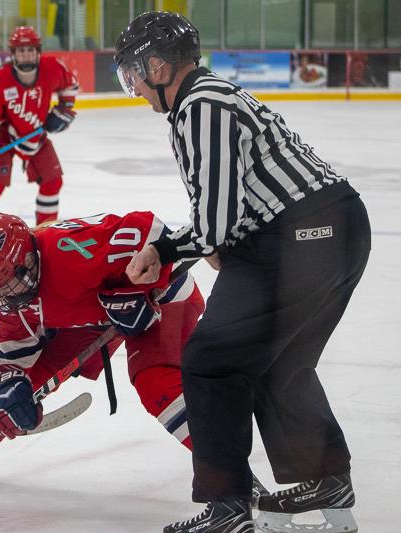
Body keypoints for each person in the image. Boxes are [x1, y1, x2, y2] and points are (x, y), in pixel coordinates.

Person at [114, 11, 370, 533]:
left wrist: (163, 250)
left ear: (158, 67)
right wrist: (214, 238)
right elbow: (224, 221)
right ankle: (326, 478)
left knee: (210, 360)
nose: (134, 88)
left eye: (133, 74)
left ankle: (227, 505)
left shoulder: (201, 106)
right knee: (278, 362)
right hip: (336, 229)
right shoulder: (210, 97)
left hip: (301, 239)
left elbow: (214, 227)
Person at [0, 211, 205, 479]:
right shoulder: (10, 293)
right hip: (95, 315)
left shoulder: (69, 251)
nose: (5, 298)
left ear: (28, 258)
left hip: (164, 299)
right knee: (19, 384)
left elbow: (152, 231)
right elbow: (14, 352)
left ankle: (227, 471)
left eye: (8, 285)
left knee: (154, 382)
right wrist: (7, 383)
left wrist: (136, 288)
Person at [0, 26, 79, 246]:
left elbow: (71, 86)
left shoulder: (52, 68)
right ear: (13, 53)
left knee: (53, 181)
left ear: (38, 51)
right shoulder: (0, 79)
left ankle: (46, 235)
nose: (26, 55)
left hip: (36, 133)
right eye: (20, 51)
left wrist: (64, 110)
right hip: (6, 136)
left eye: (30, 50)